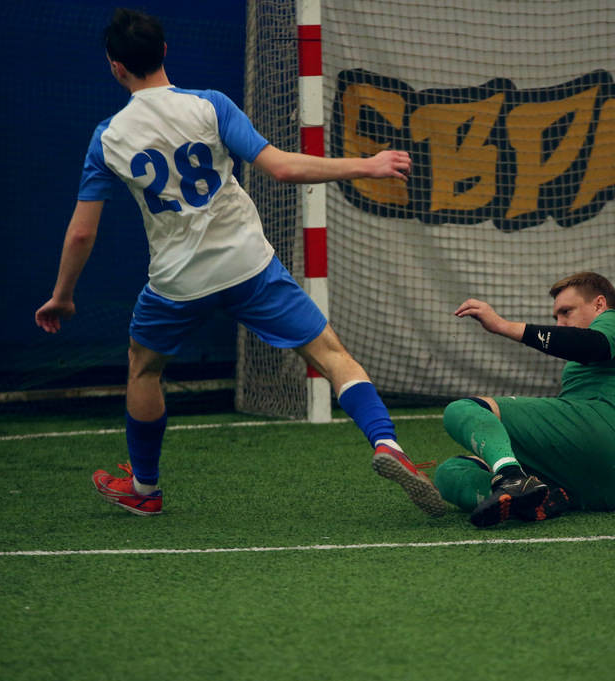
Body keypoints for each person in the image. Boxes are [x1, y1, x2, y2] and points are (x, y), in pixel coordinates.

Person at [34, 8, 443, 518]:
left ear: (116, 68)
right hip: (250, 267)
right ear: (164, 51)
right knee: (331, 354)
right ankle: (387, 444)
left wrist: (62, 296)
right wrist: (367, 164)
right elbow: (283, 168)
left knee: (143, 368)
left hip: (177, 282)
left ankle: (144, 487)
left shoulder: (108, 137)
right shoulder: (211, 105)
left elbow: (81, 232)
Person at [435, 272, 615, 528]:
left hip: (600, 431)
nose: (560, 323)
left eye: (567, 312)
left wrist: (500, 325)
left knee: (463, 409)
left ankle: (511, 477)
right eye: (556, 317)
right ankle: (531, 499)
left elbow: (589, 345)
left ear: (599, 304)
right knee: (449, 473)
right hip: (608, 489)